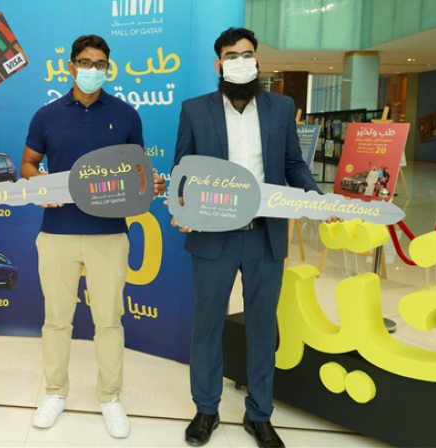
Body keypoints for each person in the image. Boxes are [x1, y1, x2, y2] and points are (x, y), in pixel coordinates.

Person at [169, 28, 339, 448]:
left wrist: (316, 198)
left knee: (262, 327)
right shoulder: (195, 110)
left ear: (258, 61)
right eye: (232, 55)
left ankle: (259, 414)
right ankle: (206, 409)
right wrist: (182, 207)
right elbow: (183, 169)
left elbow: (293, 164)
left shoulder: (281, 107)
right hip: (213, 235)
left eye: (248, 54)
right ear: (219, 64)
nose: (241, 61)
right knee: (207, 325)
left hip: (265, 235)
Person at [20, 34, 164, 439]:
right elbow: (27, 164)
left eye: (100, 64)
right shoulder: (46, 116)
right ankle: (55, 393)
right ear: (71, 66)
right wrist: (38, 182)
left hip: (109, 235)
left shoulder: (126, 115)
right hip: (57, 234)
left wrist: (148, 185)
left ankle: (110, 397)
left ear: (108, 69)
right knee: (56, 321)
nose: (92, 70)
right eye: (85, 62)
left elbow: (139, 172)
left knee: (109, 322)